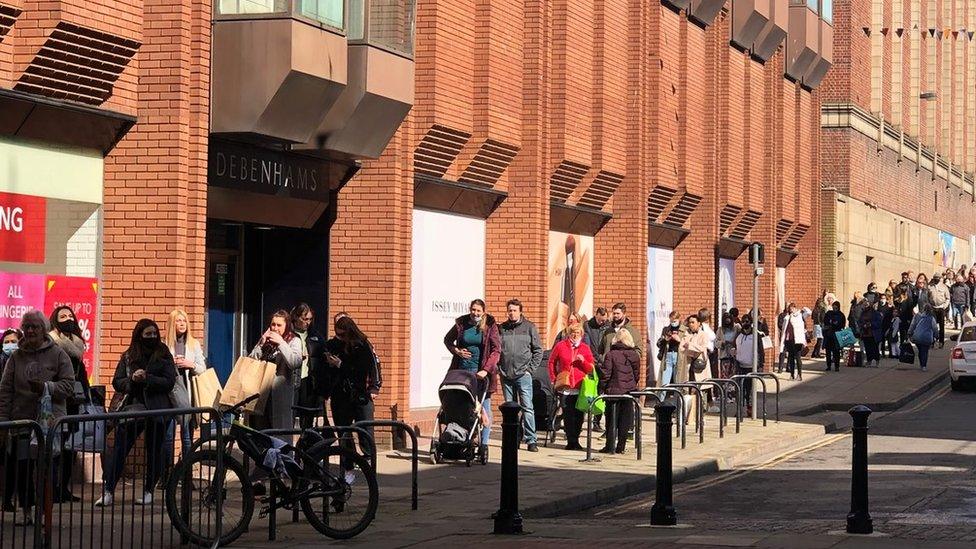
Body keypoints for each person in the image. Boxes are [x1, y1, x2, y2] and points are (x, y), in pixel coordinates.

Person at [0, 312, 74, 524]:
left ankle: (44, 513)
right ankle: (27, 512)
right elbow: (5, 391)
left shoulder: (59, 354)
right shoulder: (15, 357)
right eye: (27, 327)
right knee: (22, 470)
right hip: (21, 423)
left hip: (49, 424)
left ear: (44, 330)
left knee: (46, 470)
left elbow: (69, 386)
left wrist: (46, 388)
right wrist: (3, 422)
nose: (31, 331)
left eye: (35, 327)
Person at [96, 319, 176, 507]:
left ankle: (149, 490)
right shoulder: (129, 355)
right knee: (120, 449)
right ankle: (108, 490)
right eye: (148, 334)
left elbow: (169, 381)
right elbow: (117, 381)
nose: (152, 337)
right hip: (133, 407)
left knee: (154, 451)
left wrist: (148, 378)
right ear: (139, 335)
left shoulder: (164, 353)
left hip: (158, 408)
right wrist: (132, 380)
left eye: (154, 333)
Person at [46, 306, 91, 503]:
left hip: (74, 400)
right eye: (62, 316)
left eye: (70, 315)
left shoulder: (77, 343)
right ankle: (51, 489)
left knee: (70, 447)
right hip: (57, 400)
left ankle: (63, 487)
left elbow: (81, 373)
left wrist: (87, 395)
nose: (67, 319)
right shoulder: (51, 342)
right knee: (55, 447)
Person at [327, 316, 381, 480]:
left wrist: (374, 386)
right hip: (340, 394)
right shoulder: (333, 345)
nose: (340, 338)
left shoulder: (362, 345)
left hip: (359, 394)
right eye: (337, 334)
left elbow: (365, 369)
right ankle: (347, 464)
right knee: (343, 431)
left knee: (365, 430)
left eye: (343, 335)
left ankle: (369, 463)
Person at [444, 299, 500, 448]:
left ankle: (484, 443)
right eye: (473, 310)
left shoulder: (489, 325)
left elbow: (496, 350)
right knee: (465, 405)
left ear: (483, 312)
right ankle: (464, 437)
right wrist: (456, 350)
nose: (475, 313)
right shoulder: (462, 324)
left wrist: (486, 370)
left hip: (480, 372)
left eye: (478, 311)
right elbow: (448, 340)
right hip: (461, 370)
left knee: (483, 406)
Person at [162, 309, 207, 476]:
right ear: (172, 324)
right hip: (169, 396)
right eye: (178, 321)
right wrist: (170, 363)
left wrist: (191, 365)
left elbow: (203, 368)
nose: (182, 324)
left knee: (187, 436)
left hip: (187, 393)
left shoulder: (193, 344)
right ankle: (167, 475)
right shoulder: (164, 345)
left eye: (184, 321)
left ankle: (187, 474)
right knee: (168, 437)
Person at [498, 299, 543, 452]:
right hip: (506, 375)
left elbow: (538, 350)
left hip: (523, 375)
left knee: (527, 408)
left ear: (520, 311)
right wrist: (499, 367)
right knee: (510, 409)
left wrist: (530, 370)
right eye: (510, 310)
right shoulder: (501, 328)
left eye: (515, 310)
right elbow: (496, 350)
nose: (512, 313)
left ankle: (531, 440)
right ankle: (514, 438)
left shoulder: (529, 327)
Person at [247, 310, 303, 432]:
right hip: (261, 393)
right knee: (260, 430)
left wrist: (281, 343)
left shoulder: (293, 340)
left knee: (279, 431)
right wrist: (261, 343)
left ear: (286, 326)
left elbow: (295, 362)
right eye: (273, 324)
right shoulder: (265, 340)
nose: (275, 328)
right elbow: (251, 360)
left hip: (279, 394)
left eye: (279, 325)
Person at [547, 324, 594, 450]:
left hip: (579, 386)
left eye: (578, 333)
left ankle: (576, 439)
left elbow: (591, 368)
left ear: (582, 334)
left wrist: (583, 361)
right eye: (573, 332)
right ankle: (570, 440)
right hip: (565, 386)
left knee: (579, 414)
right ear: (569, 333)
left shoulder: (585, 348)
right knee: (568, 414)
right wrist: (553, 378)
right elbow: (551, 362)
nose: (575, 335)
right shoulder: (561, 346)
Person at [597, 329, 639, 455]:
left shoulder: (611, 354)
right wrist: (632, 384)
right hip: (628, 391)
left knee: (611, 419)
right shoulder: (634, 355)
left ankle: (609, 446)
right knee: (625, 420)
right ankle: (621, 446)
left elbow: (606, 374)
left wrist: (602, 388)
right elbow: (637, 374)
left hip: (613, 391)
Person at [291, 303, 328, 428]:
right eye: (304, 319)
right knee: (289, 413)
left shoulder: (315, 336)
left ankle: (305, 443)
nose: (307, 322)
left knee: (307, 417)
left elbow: (323, 357)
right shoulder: (289, 334)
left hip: (309, 380)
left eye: (310, 319)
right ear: (296, 317)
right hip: (292, 379)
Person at [734, 317, 758, 415]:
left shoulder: (755, 336)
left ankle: (750, 408)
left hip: (751, 367)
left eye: (747, 322)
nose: (745, 323)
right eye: (743, 322)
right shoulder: (739, 336)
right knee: (739, 389)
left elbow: (760, 350)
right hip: (740, 366)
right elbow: (734, 347)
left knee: (750, 390)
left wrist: (759, 365)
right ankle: (739, 409)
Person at [779, 302, 806, 380]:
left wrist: (800, 310)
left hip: (797, 340)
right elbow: (784, 329)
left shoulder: (800, 316)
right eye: (790, 309)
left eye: (792, 309)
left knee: (798, 357)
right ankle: (792, 374)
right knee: (790, 358)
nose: (791, 311)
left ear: (795, 308)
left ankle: (799, 374)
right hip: (789, 339)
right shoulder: (787, 317)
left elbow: (808, 312)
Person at [656, 311, 683, 387]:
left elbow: (686, 343)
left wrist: (679, 339)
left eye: (674, 321)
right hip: (668, 354)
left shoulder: (684, 329)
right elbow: (658, 343)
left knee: (678, 379)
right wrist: (665, 339)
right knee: (664, 381)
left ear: (679, 319)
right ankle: (661, 398)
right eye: (671, 321)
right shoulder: (666, 329)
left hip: (679, 355)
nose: (673, 323)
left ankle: (677, 398)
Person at [908, 305, 938, 371]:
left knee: (920, 350)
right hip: (927, 337)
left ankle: (921, 363)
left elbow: (912, 325)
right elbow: (935, 328)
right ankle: (923, 365)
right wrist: (936, 336)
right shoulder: (931, 318)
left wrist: (909, 333)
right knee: (925, 351)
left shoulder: (917, 316)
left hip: (917, 336)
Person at [822, 301, 846, 372]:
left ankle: (836, 366)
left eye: (836, 307)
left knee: (836, 352)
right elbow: (825, 321)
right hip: (829, 335)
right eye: (833, 307)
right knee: (828, 351)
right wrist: (829, 324)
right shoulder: (829, 313)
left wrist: (836, 324)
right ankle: (828, 366)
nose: (834, 309)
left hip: (836, 335)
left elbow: (842, 325)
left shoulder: (841, 315)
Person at [929, 273, 950, 348]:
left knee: (941, 326)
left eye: (938, 278)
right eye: (935, 278)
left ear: (940, 278)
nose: (936, 279)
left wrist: (944, 306)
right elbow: (928, 298)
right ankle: (932, 341)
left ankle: (941, 342)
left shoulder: (944, 287)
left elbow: (948, 298)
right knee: (932, 326)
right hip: (933, 308)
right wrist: (929, 306)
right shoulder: (930, 287)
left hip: (941, 308)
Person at [859, 303, 883, 368]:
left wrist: (871, 324)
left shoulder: (875, 313)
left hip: (873, 333)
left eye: (866, 305)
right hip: (865, 333)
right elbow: (860, 321)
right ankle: (869, 361)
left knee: (875, 348)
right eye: (864, 305)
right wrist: (863, 325)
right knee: (867, 348)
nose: (865, 306)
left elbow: (879, 322)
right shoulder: (862, 313)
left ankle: (877, 360)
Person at [717, 313, 738, 380]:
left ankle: (732, 389)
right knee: (724, 374)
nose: (727, 321)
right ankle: (724, 388)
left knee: (733, 374)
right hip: (724, 355)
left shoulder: (736, 327)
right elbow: (716, 341)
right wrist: (722, 343)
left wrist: (734, 343)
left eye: (729, 319)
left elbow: (740, 337)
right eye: (725, 320)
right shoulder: (720, 329)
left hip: (734, 354)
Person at [811, 291, 827, 358]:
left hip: (815, 325)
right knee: (820, 340)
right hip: (820, 325)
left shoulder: (815, 309)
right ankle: (817, 353)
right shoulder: (822, 309)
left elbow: (812, 317)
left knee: (819, 340)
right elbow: (823, 318)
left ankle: (814, 353)